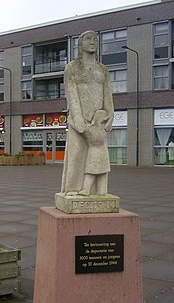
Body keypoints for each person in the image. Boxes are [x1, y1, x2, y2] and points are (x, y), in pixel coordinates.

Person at [61, 30, 114, 196]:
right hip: (80, 121)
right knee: (77, 155)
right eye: (89, 39)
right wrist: (79, 122)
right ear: (80, 44)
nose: (93, 42)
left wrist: (110, 115)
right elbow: (72, 95)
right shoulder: (72, 68)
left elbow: (108, 94)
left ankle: (99, 191)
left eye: (95, 40)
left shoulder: (102, 69)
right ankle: (73, 189)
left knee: (99, 156)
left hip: (98, 121)